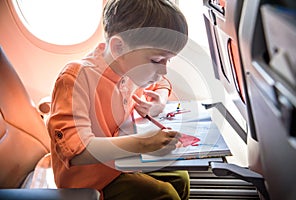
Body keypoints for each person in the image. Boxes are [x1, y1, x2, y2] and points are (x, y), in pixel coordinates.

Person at [47, 0, 189, 199]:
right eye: (157, 60)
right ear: (119, 48)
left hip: (122, 162)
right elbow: (78, 152)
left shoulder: (129, 69)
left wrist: (160, 102)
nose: (163, 69)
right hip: (92, 180)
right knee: (164, 194)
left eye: (168, 60)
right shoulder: (76, 78)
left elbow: (161, 83)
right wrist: (143, 144)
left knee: (181, 178)